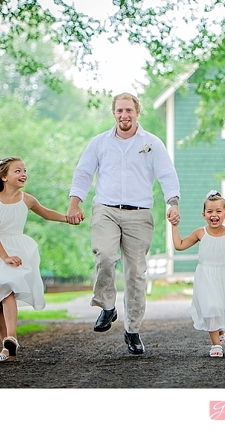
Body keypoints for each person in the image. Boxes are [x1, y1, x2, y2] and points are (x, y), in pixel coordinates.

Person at [67, 92, 180, 355]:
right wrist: (75, 202)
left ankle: (132, 330)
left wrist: (173, 203)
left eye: (129, 110)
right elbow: (83, 173)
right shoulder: (99, 143)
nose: (124, 115)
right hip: (105, 209)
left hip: (139, 214)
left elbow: (167, 175)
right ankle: (107, 306)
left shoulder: (152, 143)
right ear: (113, 113)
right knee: (105, 256)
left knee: (136, 274)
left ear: (137, 112)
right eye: (119, 111)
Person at [0, 152, 79, 363]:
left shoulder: (27, 199)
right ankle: (6, 346)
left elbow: (47, 213)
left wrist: (68, 218)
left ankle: (11, 338)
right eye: (18, 171)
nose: (23, 174)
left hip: (18, 249)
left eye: (25, 171)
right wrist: (4, 257)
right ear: (4, 176)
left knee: (7, 289)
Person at [172, 190, 225, 358]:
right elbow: (179, 245)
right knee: (211, 307)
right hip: (205, 276)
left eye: (218, 211)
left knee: (220, 309)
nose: (214, 215)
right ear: (204, 214)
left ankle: (219, 331)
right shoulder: (200, 233)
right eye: (210, 211)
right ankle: (216, 345)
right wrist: (174, 226)